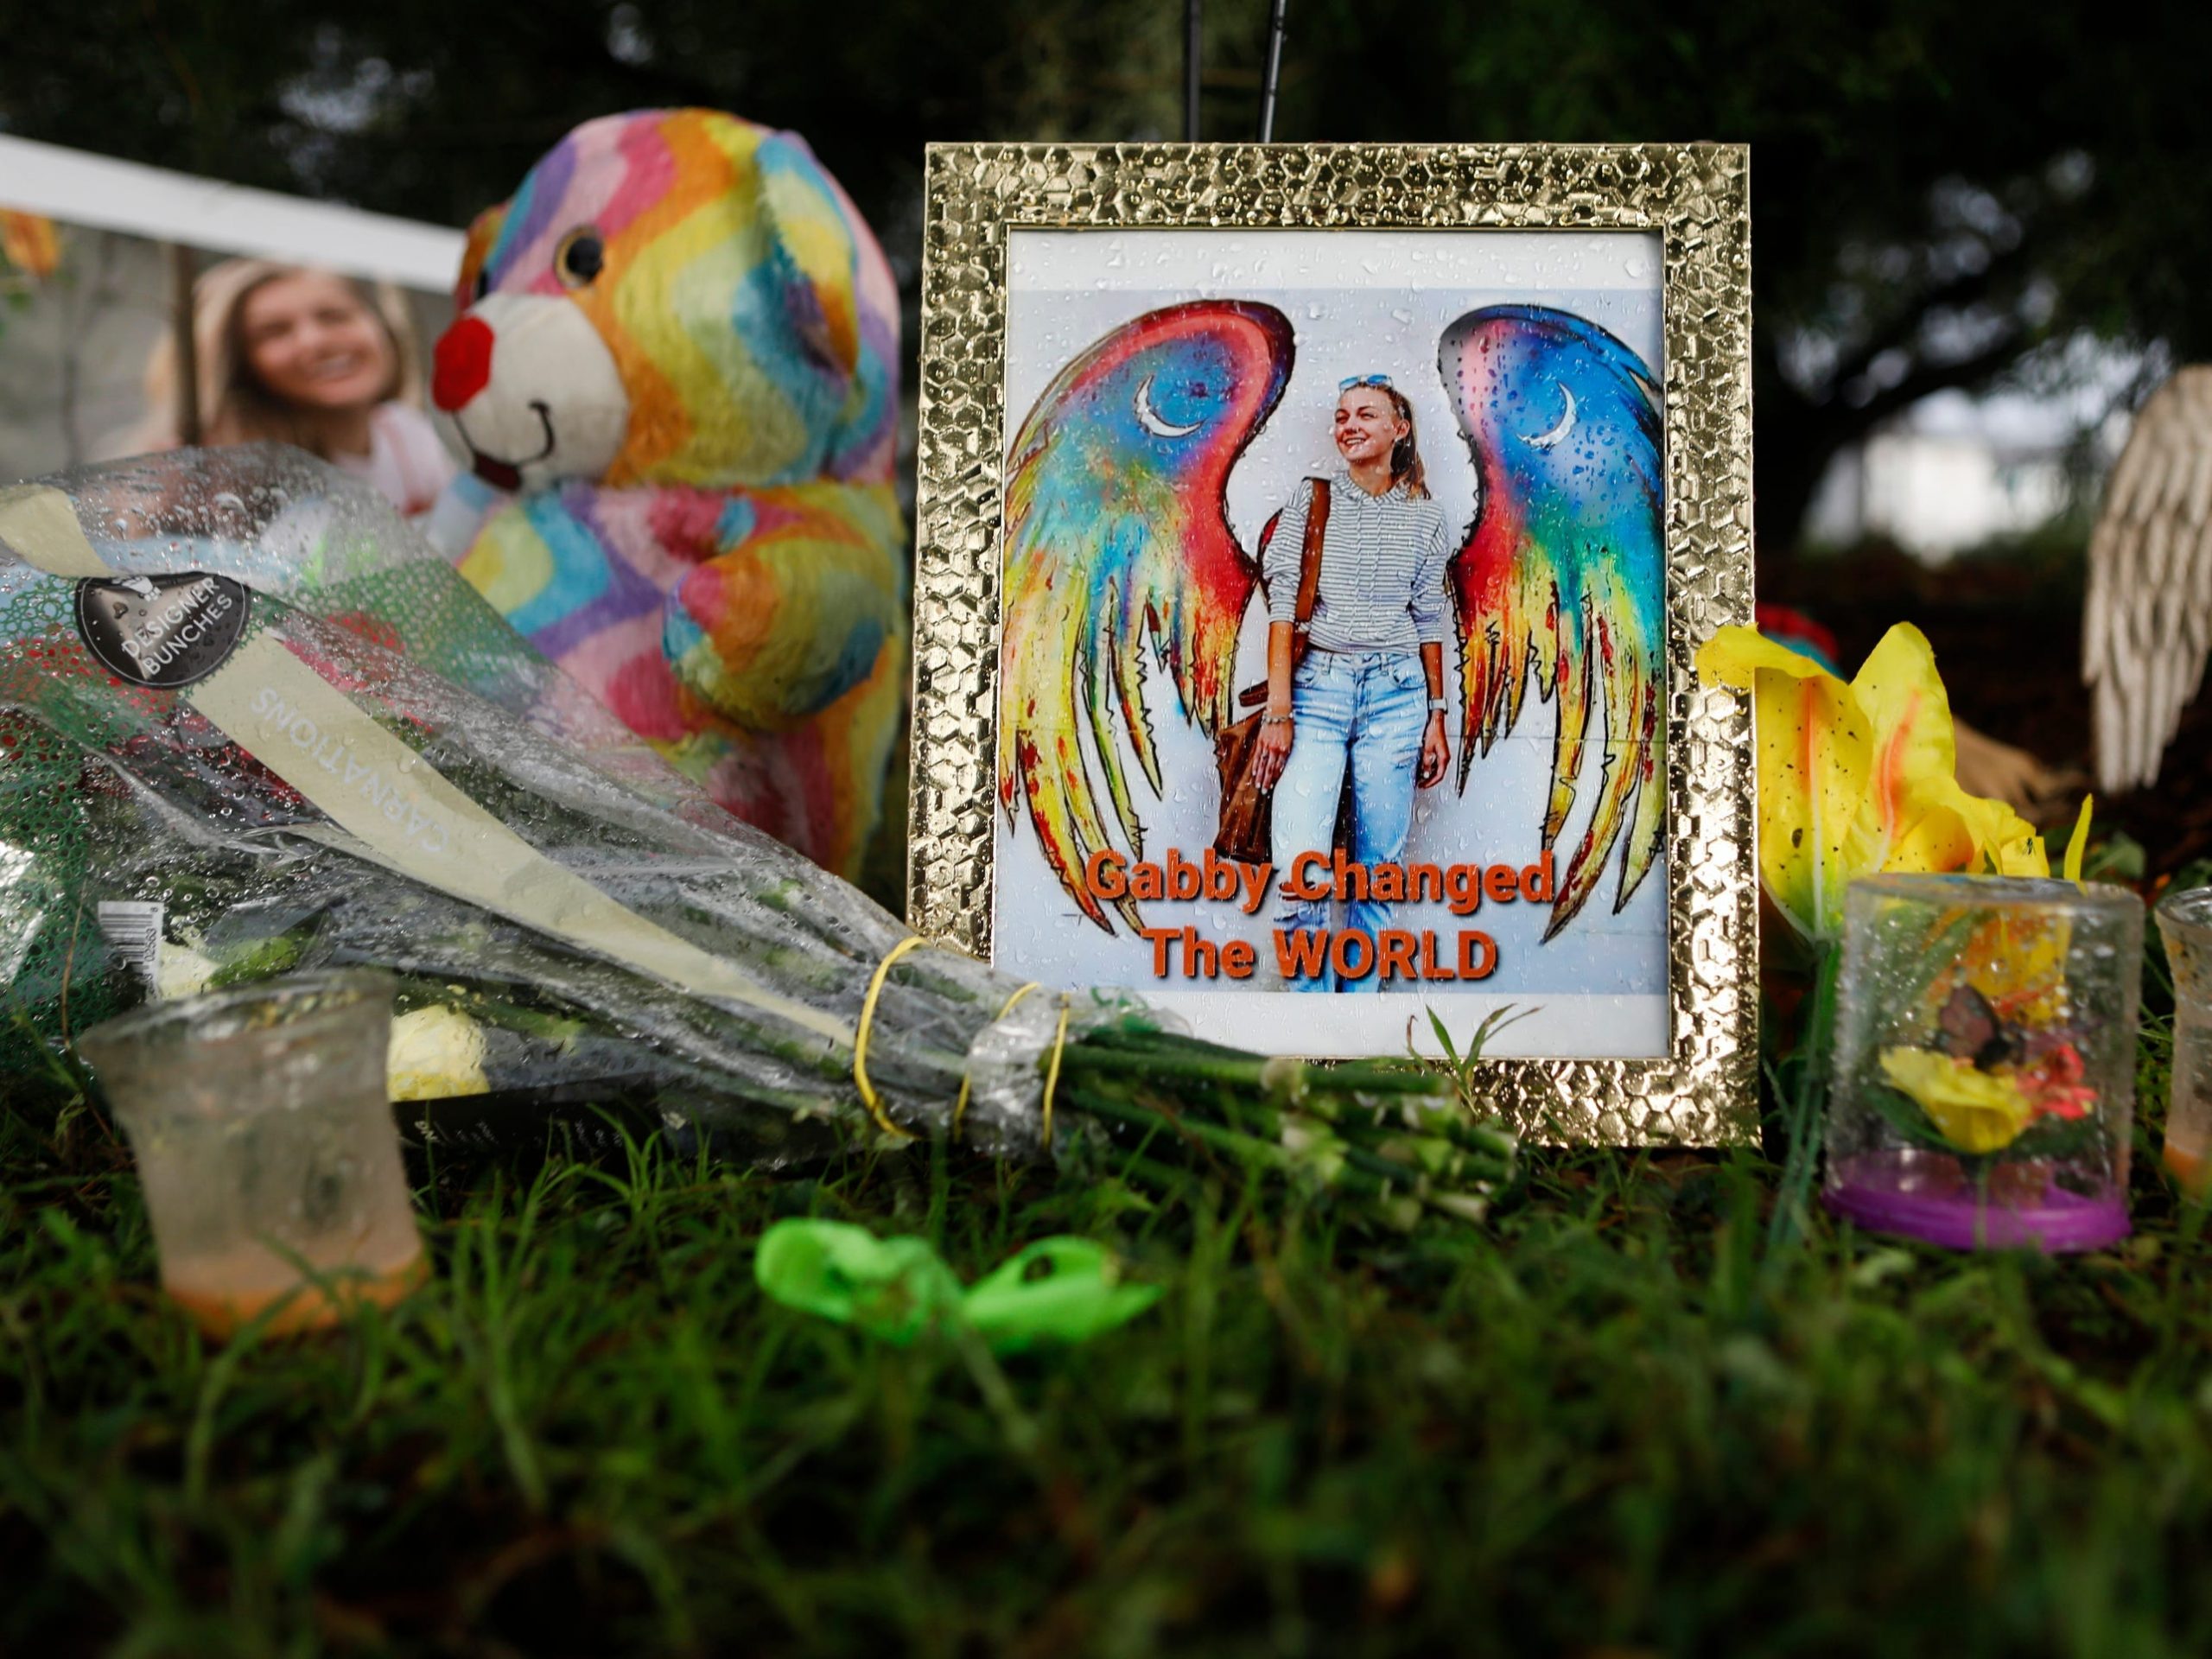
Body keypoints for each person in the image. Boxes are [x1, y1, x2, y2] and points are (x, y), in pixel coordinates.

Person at [1252, 374, 1453, 992]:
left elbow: (1428, 619)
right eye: (1341, 416)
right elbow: (1282, 607)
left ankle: (1357, 1021)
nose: (1349, 425)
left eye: (1366, 414)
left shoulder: (1427, 516)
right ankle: (1313, 1020)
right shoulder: (1311, 501)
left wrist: (1437, 715)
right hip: (1317, 693)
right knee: (1299, 870)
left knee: (1378, 871)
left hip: (1399, 698)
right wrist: (1279, 712)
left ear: (1400, 427)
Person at [130, 259, 455, 518]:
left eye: (335, 316)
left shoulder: (411, 434)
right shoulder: (223, 481)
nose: (315, 342)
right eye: (274, 331)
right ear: (239, 363)